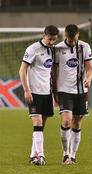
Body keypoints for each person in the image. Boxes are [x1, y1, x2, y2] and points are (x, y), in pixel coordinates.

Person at [19, 25, 59, 165]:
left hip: (47, 93)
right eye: (50, 39)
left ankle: (32, 155)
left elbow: (52, 73)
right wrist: (26, 89)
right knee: (37, 123)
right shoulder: (32, 49)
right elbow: (22, 70)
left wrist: (55, 92)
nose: (52, 42)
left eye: (54, 39)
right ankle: (41, 156)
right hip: (34, 92)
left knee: (41, 126)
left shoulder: (53, 50)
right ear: (44, 35)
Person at [54, 24, 92, 165]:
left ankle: (73, 155)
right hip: (64, 90)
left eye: (74, 39)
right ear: (65, 35)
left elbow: (90, 68)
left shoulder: (85, 47)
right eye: (70, 40)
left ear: (78, 34)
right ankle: (65, 154)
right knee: (66, 121)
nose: (72, 42)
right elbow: (54, 71)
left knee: (77, 123)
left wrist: (88, 79)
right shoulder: (58, 48)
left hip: (81, 91)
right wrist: (54, 90)